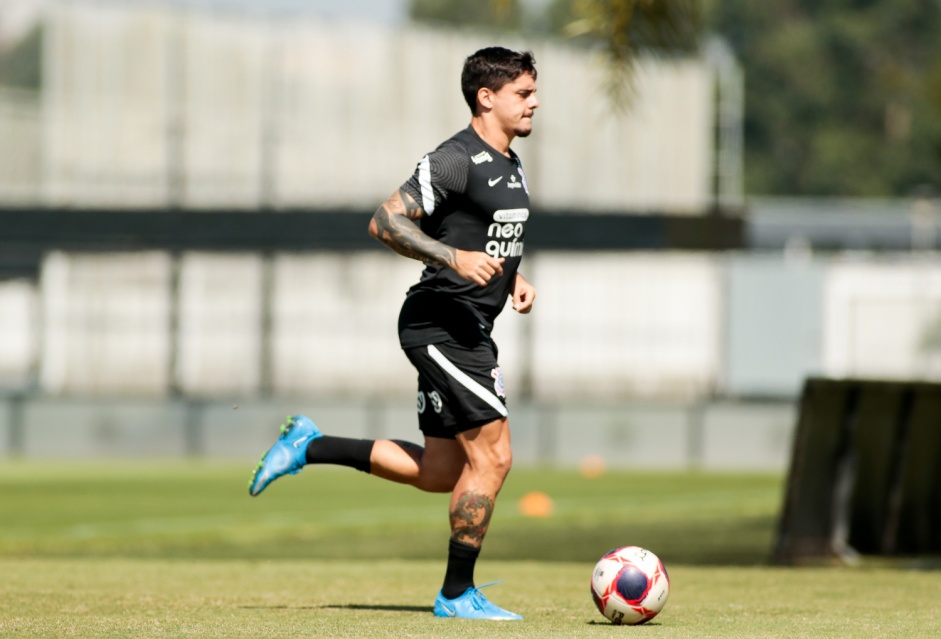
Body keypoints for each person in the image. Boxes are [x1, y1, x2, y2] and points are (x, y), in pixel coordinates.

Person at [248, 46, 539, 621]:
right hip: (441, 325)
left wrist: (512, 278)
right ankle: (457, 595)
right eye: (523, 93)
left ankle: (309, 444)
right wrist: (452, 257)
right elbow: (385, 220)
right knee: (495, 459)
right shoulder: (455, 158)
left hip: (470, 324)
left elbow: (483, 236)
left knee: (439, 473)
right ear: (486, 97)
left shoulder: (512, 164)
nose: (534, 102)